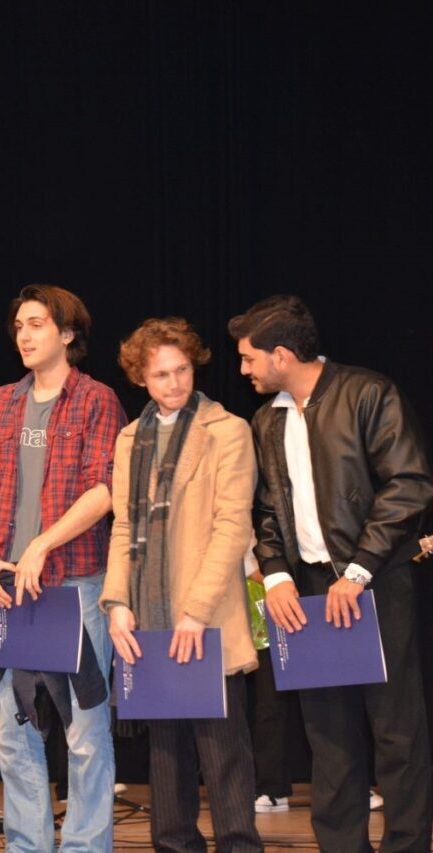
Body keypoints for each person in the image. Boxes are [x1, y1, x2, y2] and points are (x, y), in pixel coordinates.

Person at [230, 295, 433, 851]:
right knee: (327, 734)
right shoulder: (267, 419)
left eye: (249, 358)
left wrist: (359, 570)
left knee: (396, 731)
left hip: (373, 584)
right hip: (310, 593)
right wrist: (276, 576)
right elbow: (266, 509)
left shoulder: (368, 393)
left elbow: (409, 484)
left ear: (281, 355)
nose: (243, 369)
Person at [0, 284, 126, 852]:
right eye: (19, 326)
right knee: (13, 730)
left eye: (37, 324)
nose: (25, 336)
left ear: (67, 334)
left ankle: (85, 847)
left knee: (85, 731)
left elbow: (104, 489)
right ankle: (27, 845)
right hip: (11, 589)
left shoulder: (96, 399)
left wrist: (43, 544)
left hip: (73, 584)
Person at [100, 318, 262, 852]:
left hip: (207, 617)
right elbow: (124, 525)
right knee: (166, 762)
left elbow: (233, 527)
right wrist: (117, 602)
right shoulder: (130, 439)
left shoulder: (227, 430)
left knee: (224, 756)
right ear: (140, 378)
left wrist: (195, 610)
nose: (174, 383)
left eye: (182, 370)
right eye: (161, 374)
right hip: (150, 620)